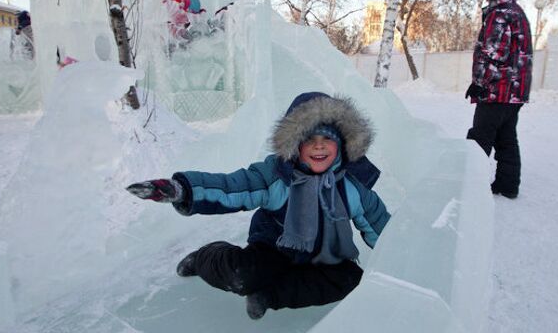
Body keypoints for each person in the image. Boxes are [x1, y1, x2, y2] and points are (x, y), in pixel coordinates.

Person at [126, 92, 390, 319]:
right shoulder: (276, 176)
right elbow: (231, 187)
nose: (318, 146)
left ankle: (268, 296)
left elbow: (382, 229)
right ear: (295, 145)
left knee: (352, 281)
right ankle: (206, 256)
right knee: (245, 275)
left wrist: (402, 258)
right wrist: (182, 189)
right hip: (275, 247)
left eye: (327, 139)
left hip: (324, 254)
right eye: (309, 139)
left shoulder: (353, 187)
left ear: (342, 145)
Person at [465, 0, 532, 199]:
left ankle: (469, 186)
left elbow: (494, 53)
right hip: (516, 92)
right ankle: (507, 184)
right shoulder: (519, 13)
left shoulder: (500, 14)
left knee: (479, 138)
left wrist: (480, 84)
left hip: (497, 90)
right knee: (506, 138)